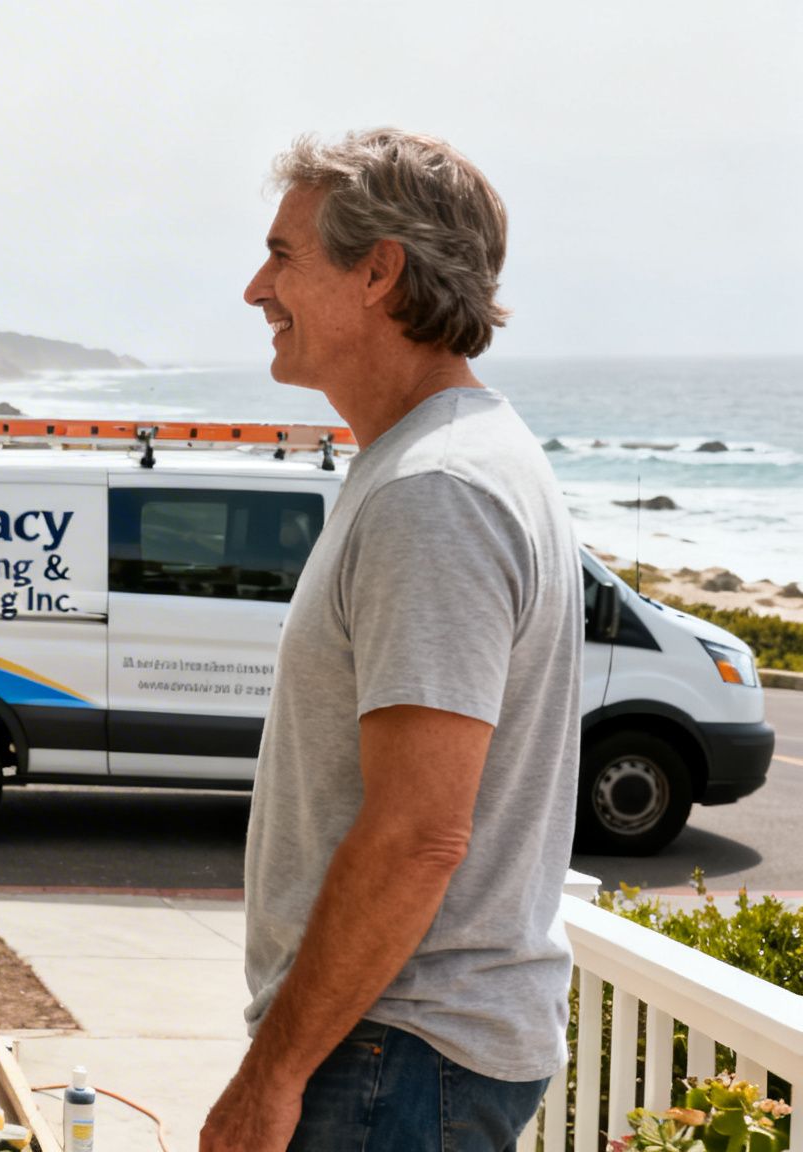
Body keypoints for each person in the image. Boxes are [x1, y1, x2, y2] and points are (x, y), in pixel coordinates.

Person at [200, 130, 581, 1152]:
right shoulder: (429, 463)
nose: (252, 288)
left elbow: (419, 833)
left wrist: (269, 1078)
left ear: (378, 271)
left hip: (392, 1062)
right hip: (399, 1056)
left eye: (282, 255)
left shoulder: (435, 493)